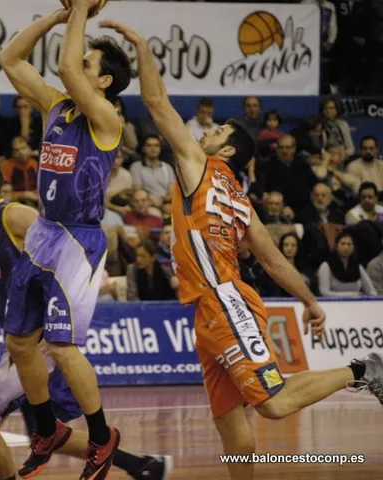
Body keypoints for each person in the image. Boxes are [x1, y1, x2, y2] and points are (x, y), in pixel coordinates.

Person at [100, 19, 383, 480]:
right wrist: (310, 302)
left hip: (224, 299)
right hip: (211, 306)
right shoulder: (242, 202)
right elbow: (272, 260)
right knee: (229, 421)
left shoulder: (199, 164)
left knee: (272, 403)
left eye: (217, 131)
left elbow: (156, 102)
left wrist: (140, 48)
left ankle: (362, 369)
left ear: (227, 151)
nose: (206, 133)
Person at [0, 157, 172, 480]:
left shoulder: (12, 214)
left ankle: (127, 457)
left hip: (36, 339)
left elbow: (62, 242)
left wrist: (83, 283)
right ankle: (142, 466)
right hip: (18, 342)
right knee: (43, 432)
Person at [0, 2, 133, 478]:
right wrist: (56, 18)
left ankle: (101, 436)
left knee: (62, 347)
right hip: (43, 231)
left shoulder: (107, 119)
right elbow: (10, 59)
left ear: (104, 81)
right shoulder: (57, 105)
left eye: (90, 64)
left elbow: (65, 67)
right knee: (19, 342)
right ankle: (45, 430)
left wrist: (78, 11)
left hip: (78, 240)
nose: (79, 65)